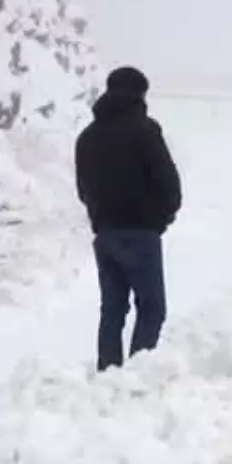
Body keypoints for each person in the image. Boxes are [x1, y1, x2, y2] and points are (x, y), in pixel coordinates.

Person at [74, 66, 182, 371]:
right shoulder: (145, 130)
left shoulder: (86, 137)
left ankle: (108, 374)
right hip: (141, 234)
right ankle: (136, 376)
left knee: (112, 310)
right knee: (152, 308)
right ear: (139, 93)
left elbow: (83, 190)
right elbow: (168, 182)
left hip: (105, 235)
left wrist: (100, 218)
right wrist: (162, 218)